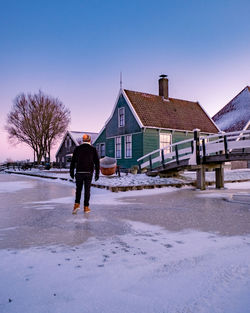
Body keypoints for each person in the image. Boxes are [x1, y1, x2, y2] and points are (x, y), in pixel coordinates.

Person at [70, 134, 100, 214]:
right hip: (88, 172)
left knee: (78, 189)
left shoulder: (77, 149)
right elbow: (97, 162)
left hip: (79, 172)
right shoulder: (93, 149)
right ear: (90, 140)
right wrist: (97, 173)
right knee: (87, 190)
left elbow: (73, 161)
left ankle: (76, 205)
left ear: (83, 141)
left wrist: (71, 172)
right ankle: (86, 207)